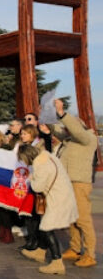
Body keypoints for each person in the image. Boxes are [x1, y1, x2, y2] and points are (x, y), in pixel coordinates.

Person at [50, 99, 98, 268]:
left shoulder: (88, 138)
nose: (67, 130)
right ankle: (75, 248)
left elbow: (77, 131)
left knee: (83, 219)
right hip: (68, 183)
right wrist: (47, 119)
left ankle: (90, 254)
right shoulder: (70, 140)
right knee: (72, 219)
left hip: (79, 183)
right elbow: (57, 131)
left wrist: (62, 113)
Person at [18, 145, 78, 275]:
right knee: (45, 225)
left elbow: (38, 187)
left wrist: (31, 179)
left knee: (46, 228)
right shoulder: (48, 157)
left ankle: (57, 262)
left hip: (58, 199)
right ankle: (40, 251)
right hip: (62, 194)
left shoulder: (41, 165)